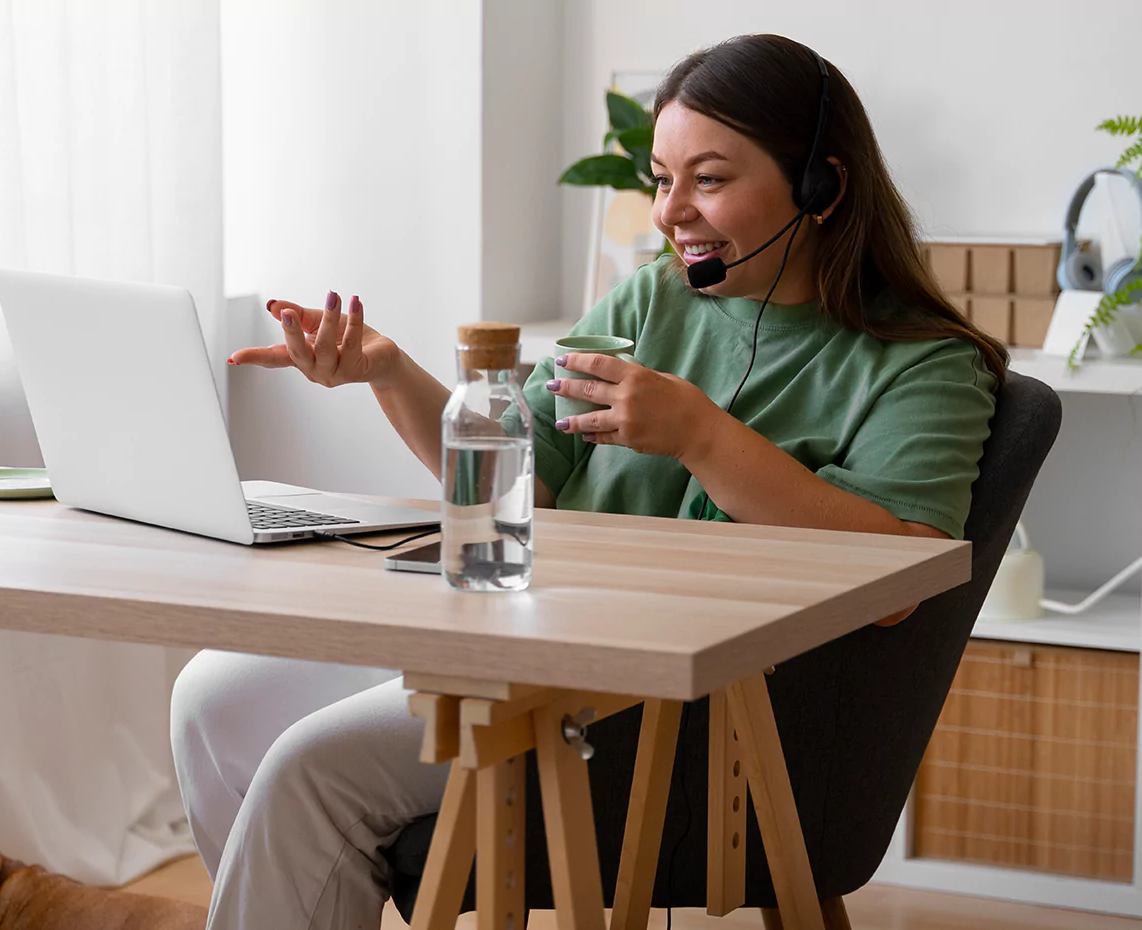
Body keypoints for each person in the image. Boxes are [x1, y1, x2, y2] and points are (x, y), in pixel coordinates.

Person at [171, 33, 1007, 929]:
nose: (670, 212)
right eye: (662, 178)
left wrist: (702, 437)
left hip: (690, 714)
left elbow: (904, 575)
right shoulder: (656, 300)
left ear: (821, 188)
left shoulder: (923, 365)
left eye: (710, 179)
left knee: (311, 771)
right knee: (212, 698)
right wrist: (388, 372)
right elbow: (516, 468)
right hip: (535, 647)